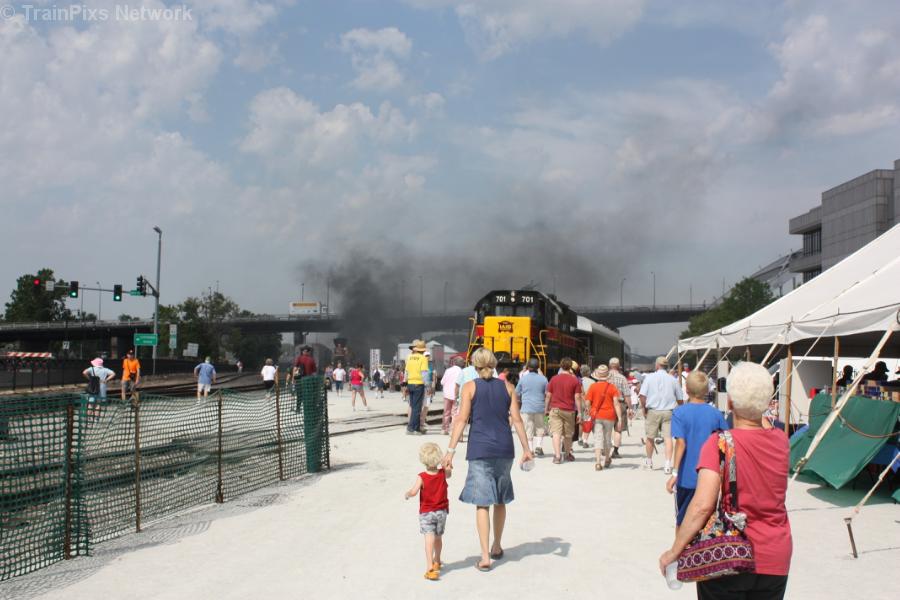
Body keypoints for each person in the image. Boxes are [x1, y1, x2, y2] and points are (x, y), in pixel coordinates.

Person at [659, 362, 792, 600]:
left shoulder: (718, 443)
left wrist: (674, 551)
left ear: (729, 402)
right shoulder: (781, 440)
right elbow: (761, 426)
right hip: (775, 556)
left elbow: (702, 506)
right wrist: (756, 403)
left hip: (729, 555)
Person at [443, 348, 533, 571]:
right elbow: (517, 420)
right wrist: (526, 449)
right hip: (504, 449)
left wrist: (450, 451)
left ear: (475, 365)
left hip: (480, 450)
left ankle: (485, 557)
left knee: (483, 503)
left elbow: (461, 420)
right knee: (500, 499)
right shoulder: (508, 387)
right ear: (494, 365)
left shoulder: (469, 387)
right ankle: (497, 546)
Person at [666, 370, 728, 529]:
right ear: (706, 391)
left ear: (686, 390)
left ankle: (680, 546)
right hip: (711, 476)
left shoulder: (679, 412)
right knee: (706, 522)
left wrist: (674, 473)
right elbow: (726, 442)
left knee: (682, 521)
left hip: (686, 477)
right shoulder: (716, 414)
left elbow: (681, 443)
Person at [405, 442, 452, 581]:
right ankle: (437, 560)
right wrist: (447, 465)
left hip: (427, 513)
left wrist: (408, 493)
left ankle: (429, 567)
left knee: (428, 539)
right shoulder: (442, 474)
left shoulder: (422, 476)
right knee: (438, 537)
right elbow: (449, 473)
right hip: (441, 512)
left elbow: (414, 491)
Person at [639, 356, 683, 472]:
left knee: (650, 437)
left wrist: (644, 407)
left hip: (653, 410)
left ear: (657, 365)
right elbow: (680, 398)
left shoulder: (649, 378)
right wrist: (680, 410)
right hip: (669, 411)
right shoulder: (673, 379)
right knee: (668, 438)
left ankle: (649, 462)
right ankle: (667, 464)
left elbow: (642, 396)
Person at [544, 357, 583, 464]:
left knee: (556, 433)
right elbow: (577, 397)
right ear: (570, 367)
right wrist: (580, 412)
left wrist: (546, 409)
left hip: (555, 410)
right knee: (568, 434)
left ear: (561, 366)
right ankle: (567, 454)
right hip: (569, 410)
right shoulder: (575, 380)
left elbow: (548, 396)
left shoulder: (554, 379)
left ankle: (557, 456)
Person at [585, 365, 622, 470]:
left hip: (597, 416)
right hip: (609, 416)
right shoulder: (612, 387)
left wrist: (590, 410)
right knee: (607, 438)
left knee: (598, 438)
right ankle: (606, 459)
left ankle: (597, 462)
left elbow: (587, 402)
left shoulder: (593, 387)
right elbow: (616, 403)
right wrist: (619, 418)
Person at [515, 358, 549, 456]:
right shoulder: (543, 379)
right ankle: (539, 446)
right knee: (540, 427)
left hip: (526, 408)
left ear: (528, 367)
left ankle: (530, 449)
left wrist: (518, 403)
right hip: (540, 407)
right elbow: (547, 393)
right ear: (538, 367)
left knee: (528, 428)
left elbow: (517, 393)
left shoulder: (523, 379)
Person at [405, 340, 430, 435]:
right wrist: (427, 385)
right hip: (418, 384)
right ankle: (414, 429)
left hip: (410, 383)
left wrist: (406, 382)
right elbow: (424, 373)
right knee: (417, 408)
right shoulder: (423, 358)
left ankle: (410, 427)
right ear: (422, 350)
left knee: (412, 406)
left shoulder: (409, 357)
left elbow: (406, 372)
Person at [608, 357, 630, 458]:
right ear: (618, 366)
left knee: (606, 428)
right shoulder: (622, 378)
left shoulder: (604, 377)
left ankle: (605, 449)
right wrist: (630, 407)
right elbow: (627, 395)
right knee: (618, 429)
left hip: (607, 404)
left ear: (609, 365)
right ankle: (615, 451)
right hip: (620, 404)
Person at [440, 357, 464, 435]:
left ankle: (444, 429)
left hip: (447, 394)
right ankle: (452, 430)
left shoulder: (448, 370)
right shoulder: (462, 371)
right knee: (455, 413)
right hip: (456, 395)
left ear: (454, 363)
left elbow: (442, 382)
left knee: (446, 412)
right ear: (462, 364)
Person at [578, 364, 596, 448]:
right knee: (589, 421)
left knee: (581, 421)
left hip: (579, 403)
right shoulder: (592, 382)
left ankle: (579, 438)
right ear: (588, 372)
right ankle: (587, 440)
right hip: (589, 404)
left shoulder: (579, 381)